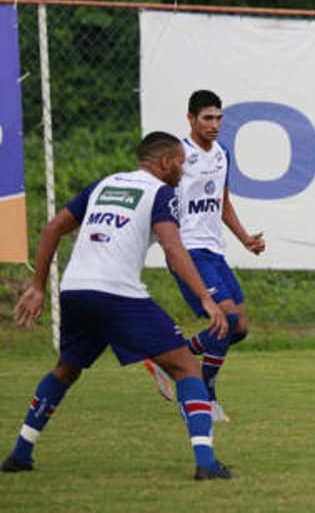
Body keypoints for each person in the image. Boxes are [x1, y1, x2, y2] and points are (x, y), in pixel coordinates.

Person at [3, 132, 232, 480]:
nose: (183, 172)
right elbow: (173, 248)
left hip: (75, 291)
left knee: (66, 369)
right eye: (181, 165)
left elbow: (52, 228)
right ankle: (207, 463)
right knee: (187, 368)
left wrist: (37, 287)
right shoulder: (161, 192)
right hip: (118, 294)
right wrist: (205, 297)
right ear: (166, 162)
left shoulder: (104, 184)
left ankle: (20, 454)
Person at [145, 90, 264, 423]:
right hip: (187, 250)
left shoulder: (223, 154)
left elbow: (222, 203)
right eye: (207, 118)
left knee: (240, 328)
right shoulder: (178, 155)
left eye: (218, 117)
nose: (214, 124)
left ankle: (168, 358)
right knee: (225, 321)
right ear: (191, 119)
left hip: (214, 252)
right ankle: (207, 395)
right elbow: (155, 197)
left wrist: (245, 239)